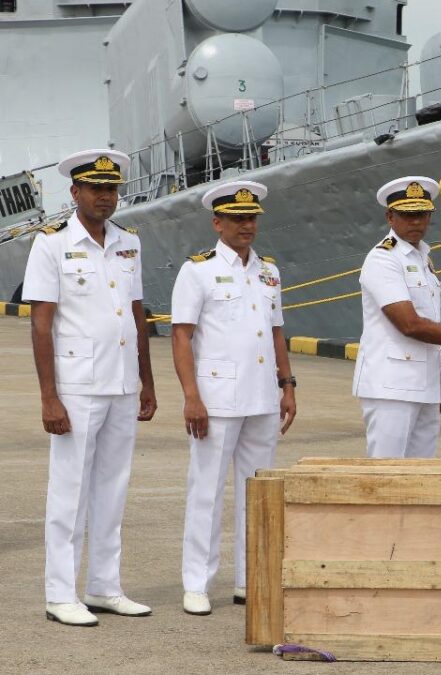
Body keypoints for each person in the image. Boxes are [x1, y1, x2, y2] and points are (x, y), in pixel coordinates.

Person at [23, 149, 157, 626]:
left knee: (112, 487)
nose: (105, 196)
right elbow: (41, 325)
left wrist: (147, 381)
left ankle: (103, 586)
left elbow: (136, 313)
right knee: (69, 490)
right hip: (76, 385)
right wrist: (49, 396)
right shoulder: (51, 244)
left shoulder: (128, 243)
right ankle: (60, 593)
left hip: (121, 381)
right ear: (75, 192)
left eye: (112, 188)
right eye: (96, 188)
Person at [170, 180, 297, 615]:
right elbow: (182, 337)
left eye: (252, 218)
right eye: (238, 219)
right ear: (217, 222)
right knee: (206, 490)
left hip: (262, 397)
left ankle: (250, 579)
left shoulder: (269, 271)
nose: (247, 226)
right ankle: (196, 583)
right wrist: (192, 397)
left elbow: (277, 332)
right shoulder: (197, 270)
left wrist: (287, 384)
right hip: (216, 397)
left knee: (257, 492)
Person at [352, 176, 441, 458]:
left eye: (422, 214)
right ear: (390, 217)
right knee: (388, 478)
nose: (416, 221)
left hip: (425, 387)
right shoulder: (383, 259)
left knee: (421, 478)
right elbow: (410, 324)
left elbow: (428, 322)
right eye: (408, 215)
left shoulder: (422, 258)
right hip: (391, 389)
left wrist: (434, 387)